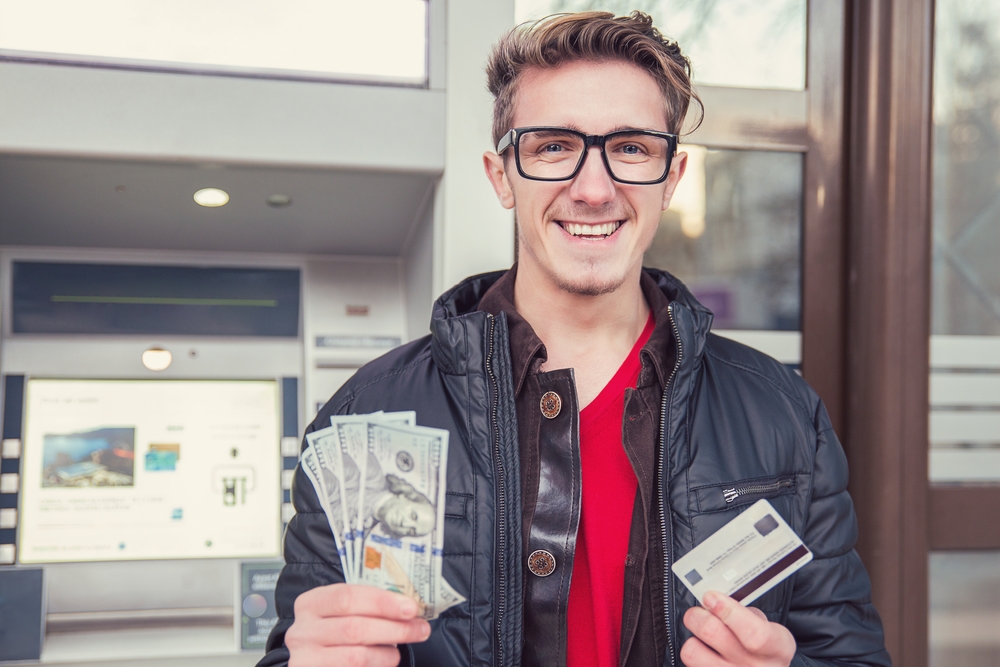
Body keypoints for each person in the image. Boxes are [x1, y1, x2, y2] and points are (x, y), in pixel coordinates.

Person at [260, 11, 891, 667]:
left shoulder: (783, 416)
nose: (594, 189)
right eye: (553, 146)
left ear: (672, 179)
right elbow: (296, 649)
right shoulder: (366, 417)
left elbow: (852, 655)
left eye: (632, 148)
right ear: (501, 174)